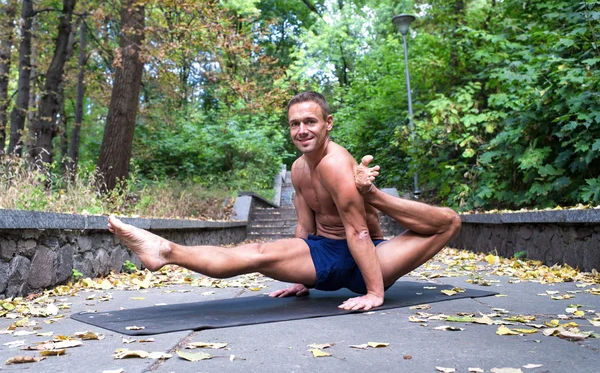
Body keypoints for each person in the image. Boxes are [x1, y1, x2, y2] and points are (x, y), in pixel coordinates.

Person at [108, 91, 461, 311]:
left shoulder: (336, 164)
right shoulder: (298, 169)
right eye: (295, 124)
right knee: (259, 254)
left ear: (328, 124)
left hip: (368, 259)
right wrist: (301, 277)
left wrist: (374, 293)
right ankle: (166, 253)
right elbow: (306, 227)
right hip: (326, 253)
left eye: (310, 121)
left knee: (450, 221)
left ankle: (165, 253)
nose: (302, 130)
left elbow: (359, 233)